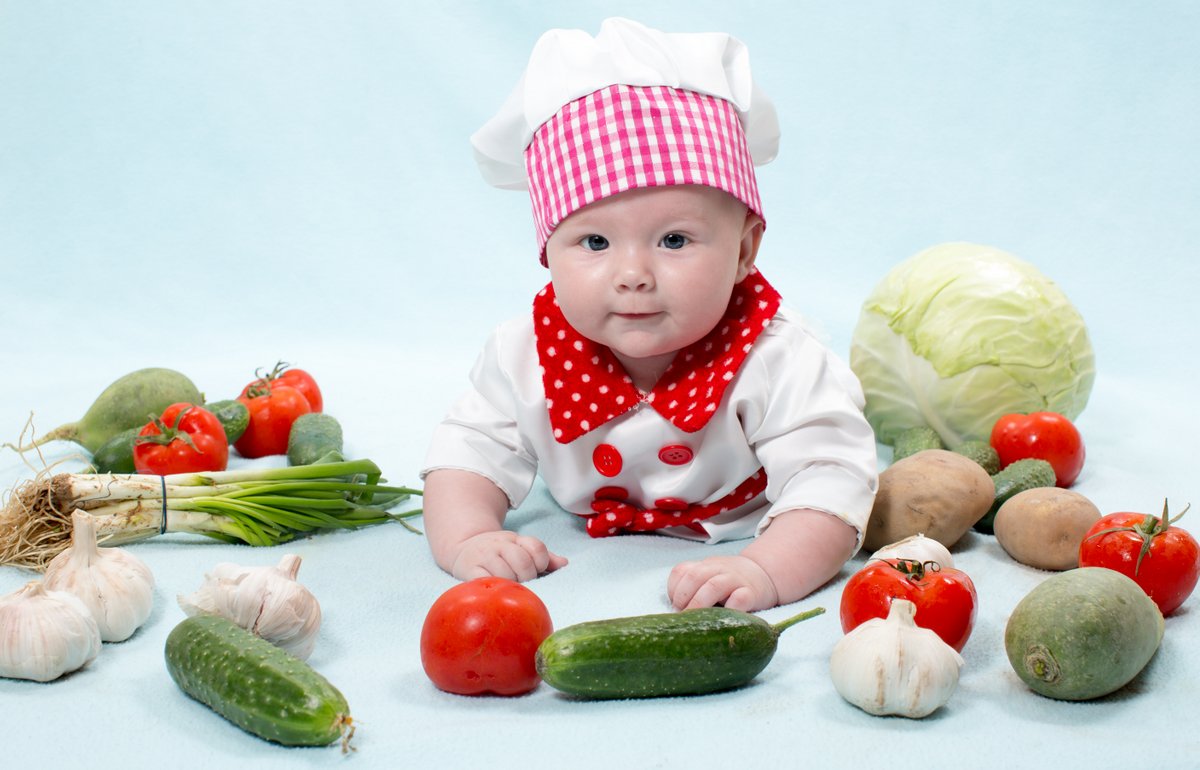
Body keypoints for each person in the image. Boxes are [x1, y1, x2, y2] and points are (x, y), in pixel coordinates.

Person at [421, 18, 878, 611]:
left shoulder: (777, 356)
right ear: (547, 252)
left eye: (674, 240)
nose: (632, 272)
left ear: (743, 251)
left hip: (745, 530)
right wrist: (469, 538)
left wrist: (767, 570)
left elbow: (832, 478)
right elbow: (466, 451)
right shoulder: (523, 355)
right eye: (593, 243)